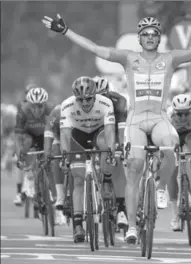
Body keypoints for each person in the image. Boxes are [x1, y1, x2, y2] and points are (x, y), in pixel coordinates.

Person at [42, 13, 191, 243]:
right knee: (134, 167)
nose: (150, 37)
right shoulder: (128, 58)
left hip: (159, 117)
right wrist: (66, 32)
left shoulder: (171, 58)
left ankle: (162, 187)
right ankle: (132, 226)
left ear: (159, 38)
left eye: (154, 34)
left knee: (171, 145)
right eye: (146, 34)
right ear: (140, 38)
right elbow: (96, 49)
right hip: (135, 119)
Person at [59, 76, 116, 243]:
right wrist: (64, 156)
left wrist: (111, 151)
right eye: (80, 100)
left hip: (99, 133)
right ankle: (78, 224)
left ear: (95, 95)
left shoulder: (105, 103)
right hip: (78, 136)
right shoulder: (67, 105)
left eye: (88, 99)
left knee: (106, 144)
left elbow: (110, 130)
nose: (84, 103)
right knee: (78, 177)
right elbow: (65, 133)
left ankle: (105, 179)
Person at [93, 75, 128, 229]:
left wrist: (120, 146)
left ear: (109, 92)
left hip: (114, 129)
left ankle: (121, 208)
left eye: (104, 95)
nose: (101, 99)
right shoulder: (86, 102)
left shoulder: (118, 102)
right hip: (96, 131)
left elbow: (121, 129)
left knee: (117, 160)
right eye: (97, 97)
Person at [166, 94, 191, 230]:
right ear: (174, 112)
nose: (182, 117)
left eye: (186, 114)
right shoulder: (168, 116)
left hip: (189, 135)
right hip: (173, 135)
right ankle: (175, 215)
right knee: (171, 170)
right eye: (179, 114)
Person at [14, 87, 55, 206]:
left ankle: (54, 196)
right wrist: (19, 157)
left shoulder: (51, 109)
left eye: (40, 106)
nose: (37, 110)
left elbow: (58, 132)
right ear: (29, 104)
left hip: (45, 135)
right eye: (34, 106)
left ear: (45, 104)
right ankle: (29, 178)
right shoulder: (22, 111)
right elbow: (18, 137)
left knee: (51, 162)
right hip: (29, 136)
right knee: (26, 142)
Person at [44, 104, 67, 225]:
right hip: (57, 137)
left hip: (74, 136)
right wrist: (47, 153)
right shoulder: (56, 113)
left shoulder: (76, 111)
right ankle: (60, 195)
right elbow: (48, 135)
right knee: (56, 155)